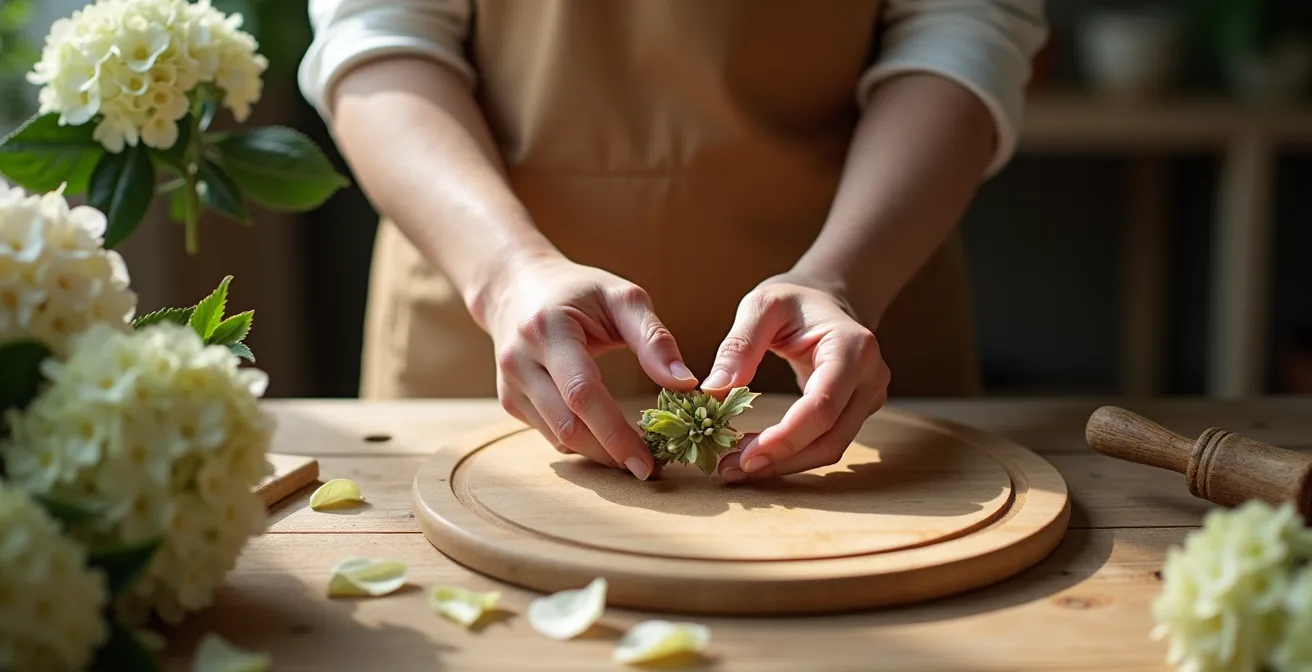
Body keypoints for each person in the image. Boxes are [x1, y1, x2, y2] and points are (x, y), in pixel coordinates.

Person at [298, 0, 1048, 484]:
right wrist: (506, 273)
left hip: (861, 295)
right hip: (483, 298)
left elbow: (964, 27)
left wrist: (845, 278)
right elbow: (380, 33)